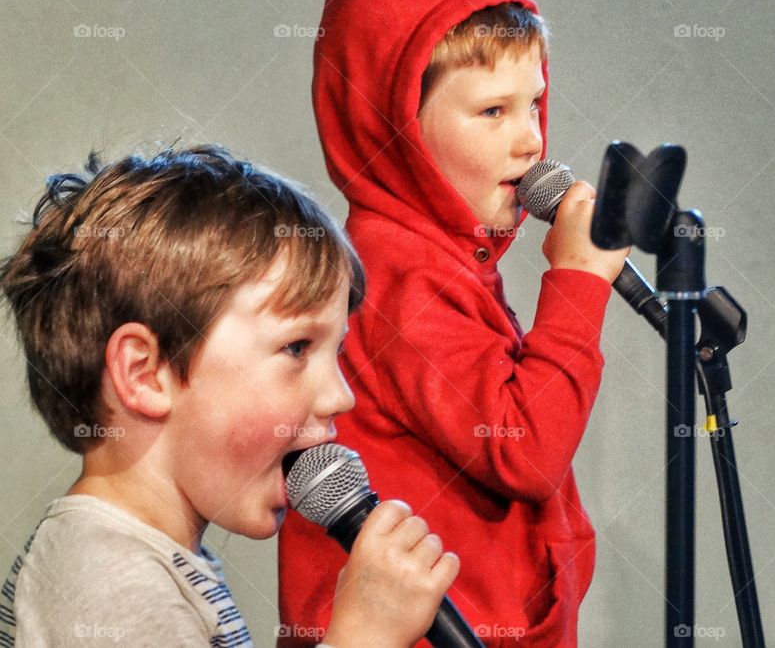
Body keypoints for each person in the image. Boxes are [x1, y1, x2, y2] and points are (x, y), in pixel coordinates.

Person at [279, 0, 629, 646]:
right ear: (397, 129)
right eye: (493, 111)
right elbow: (523, 447)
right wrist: (580, 281)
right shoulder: (394, 275)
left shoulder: (444, 262)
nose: (530, 138)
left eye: (534, 104)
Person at [0, 145, 459, 647]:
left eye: (337, 353)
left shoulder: (151, 560)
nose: (339, 396)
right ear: (145, 374)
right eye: (297, 347)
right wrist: (362, 638)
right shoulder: (109, 579)